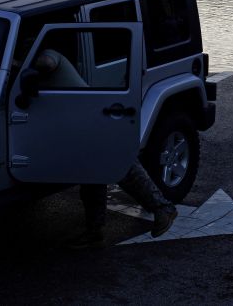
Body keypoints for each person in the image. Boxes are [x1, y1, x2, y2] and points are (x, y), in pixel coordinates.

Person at [30, 49, 179, 248]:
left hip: (93, 119)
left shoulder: (49, 54)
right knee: (93, 177)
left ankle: (163, 208)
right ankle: (94, 231)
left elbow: (46, 63)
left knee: (123, 167)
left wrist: (22, 64)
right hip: (83, 123)